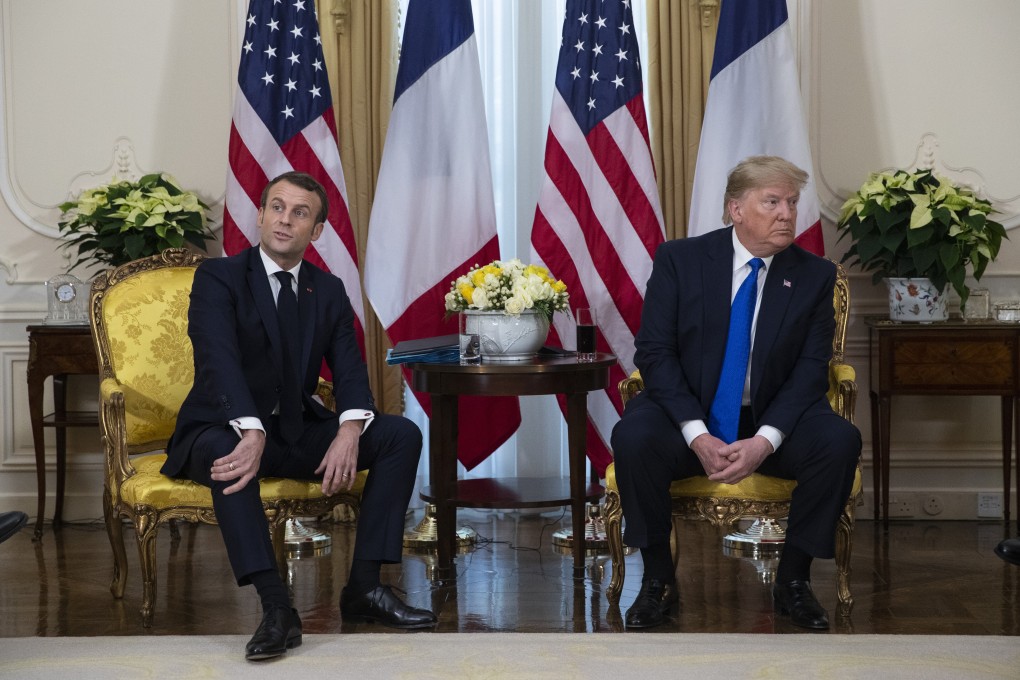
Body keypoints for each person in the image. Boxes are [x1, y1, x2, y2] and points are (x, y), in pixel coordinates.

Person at [163, 171, 436, 661]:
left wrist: (350, 429)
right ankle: (276, 608)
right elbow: (217, 362)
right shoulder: (219, 278)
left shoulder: (326, 290)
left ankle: (364, 589)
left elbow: (351, 369)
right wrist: (248, 430)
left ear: (318, 230)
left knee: (399, 434)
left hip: (292, 430)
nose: (285, 220)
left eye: (300, 212)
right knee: (230, 454)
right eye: (277, 208)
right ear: (261, 214)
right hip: (219, 429)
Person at [611, 156, 861, 631]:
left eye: (791, 201)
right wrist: (696, 434)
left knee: (838, 441)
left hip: (771, 414)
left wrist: (766, 440)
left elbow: (811, 370)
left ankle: (793, 581)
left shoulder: (813, 275)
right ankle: (657, 580)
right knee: (634, 436)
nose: (787, 213)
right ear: (735, 209)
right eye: (772, 202)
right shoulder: (680, 260)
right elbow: (655, 353)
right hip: (690, 412)